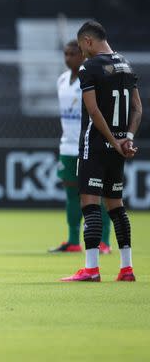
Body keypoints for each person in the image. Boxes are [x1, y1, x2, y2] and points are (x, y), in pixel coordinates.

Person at [62, 21, 141, 282]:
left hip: (94, 146)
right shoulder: (126, 65)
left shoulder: (90, 67)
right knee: (117, 207)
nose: (82, 53)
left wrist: (111, 140)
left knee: (90, 205)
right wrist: (125, 139)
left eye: (82, 47)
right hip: (118, 148)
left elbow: (93, 112)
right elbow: (138, 109)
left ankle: (92, 269)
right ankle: (126, 268)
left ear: (87, 41)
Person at [49, 41, 112, 254]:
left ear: (82, 55)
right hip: (67, 145)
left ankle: (104, 241)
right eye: (65, 54)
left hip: (89, 145)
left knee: (97, 193)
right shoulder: (61, 80)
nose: (68, 58)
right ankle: (73, 241)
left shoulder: (91, 78)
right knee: (71, 193)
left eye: (72, 53)